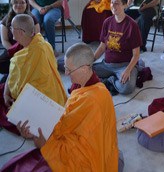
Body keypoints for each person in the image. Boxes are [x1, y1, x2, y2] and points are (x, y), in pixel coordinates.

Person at [1, 43, 120, 172]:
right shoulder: (82, 86)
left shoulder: (93, 99)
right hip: (78, 141)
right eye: (65, 68)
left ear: (85, 69)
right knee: (14, 165)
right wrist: (35, 129)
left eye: (69, 69)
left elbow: (81, 152)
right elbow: (65, 122)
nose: (66, 73)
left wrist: (47, 145)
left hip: (91, 158)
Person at [0, 14, 67, 134]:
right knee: (3, 88)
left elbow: (21, 88)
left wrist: (11, 99)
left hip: (43, 100)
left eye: (12, 27)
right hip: (53, 95)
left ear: (20, 32)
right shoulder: (40, 42)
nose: (10, 29)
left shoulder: (36, 50)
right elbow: (15, 75)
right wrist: (6, 93)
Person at [93, 0, 142, 95]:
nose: (113, 6)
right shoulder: (107, 22)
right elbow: (102, 47)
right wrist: (91, 60)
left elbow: (136, 54)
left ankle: (110, 80)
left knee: (127, 88)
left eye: (117, 3)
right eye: (111, 3)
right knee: (85, 72)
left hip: (124, 65)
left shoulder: (132, 25)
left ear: (125, 5)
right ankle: (111, 79)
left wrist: (128, 70)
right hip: (107, 64)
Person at [0, 0, 40, 76]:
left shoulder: (33, 19)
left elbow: (37, 38)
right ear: (12, 4)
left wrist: (25, 53)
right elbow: (4, 40)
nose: (19, 5)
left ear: (26, 4)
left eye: (22, 2)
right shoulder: (5, 20)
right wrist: (15, 53)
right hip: (12, 50)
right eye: (16, 2)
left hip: (29, 51)